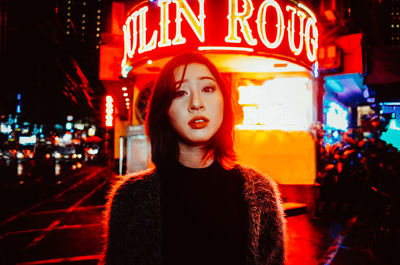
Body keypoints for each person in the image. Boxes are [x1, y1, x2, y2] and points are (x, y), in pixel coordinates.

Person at [101, 52, 286, 265]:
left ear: (224, 102)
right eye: (179, 92)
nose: (196, 103)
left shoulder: (261, 193)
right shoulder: (130, 197)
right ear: (164, 111)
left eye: (207, 89)